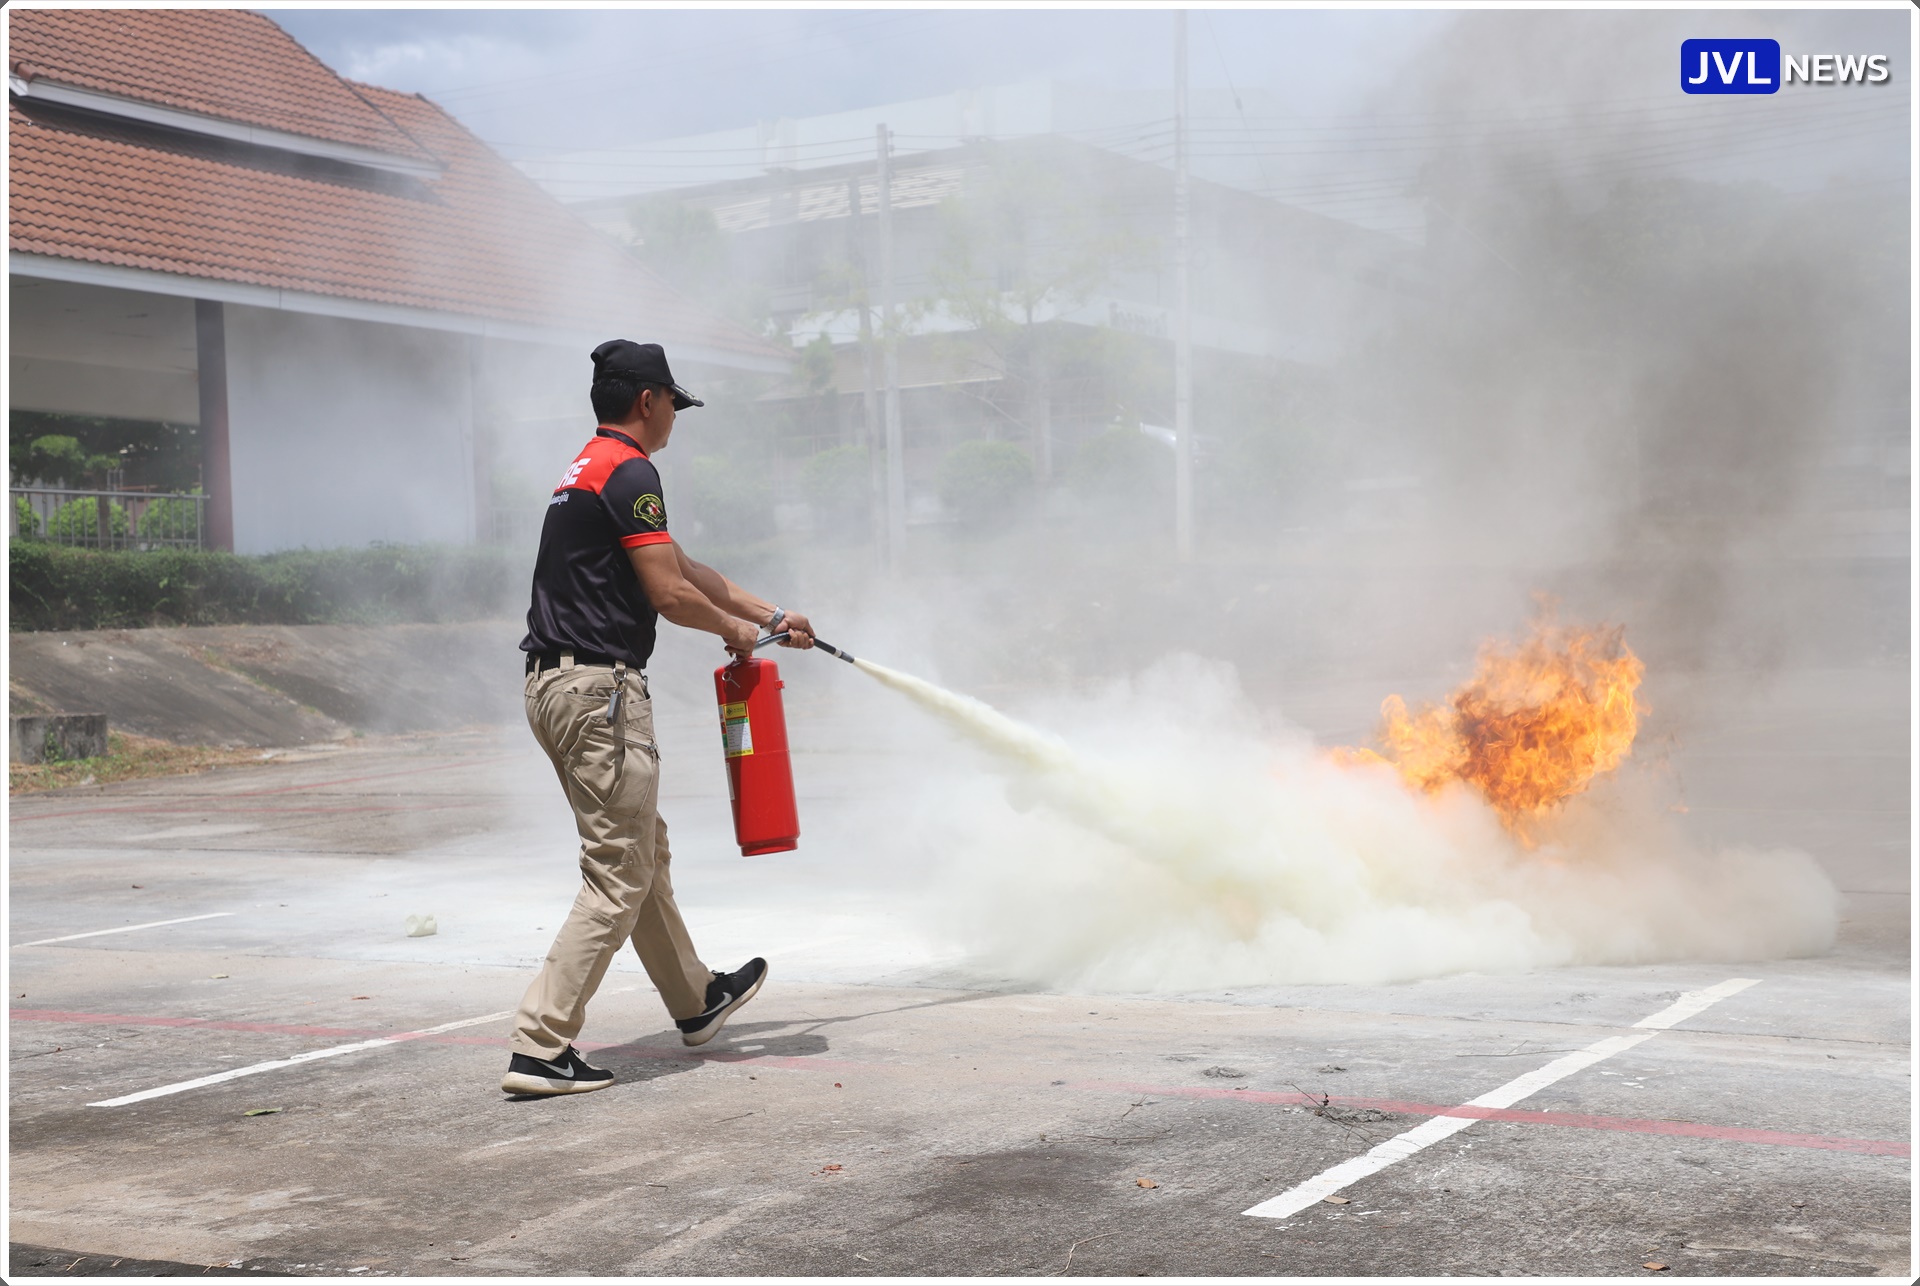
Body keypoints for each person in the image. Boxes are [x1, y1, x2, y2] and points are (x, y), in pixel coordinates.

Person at [502, 339, 815, 1097]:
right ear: (648, 400)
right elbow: (670, 597)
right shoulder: (634, 469)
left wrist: (770, 613)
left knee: (646, 853)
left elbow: (685, 570)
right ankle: (540, 1047)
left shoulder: (592, 467)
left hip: (558, 687)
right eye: (673, 401)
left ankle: (695, 1000)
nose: (676, 414)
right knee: (618, 871)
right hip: (599, 692)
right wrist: (732, 631)